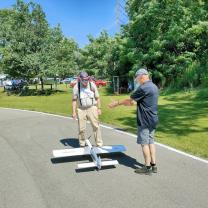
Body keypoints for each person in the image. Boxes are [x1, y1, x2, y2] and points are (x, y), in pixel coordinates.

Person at [108, 68, 159, 175]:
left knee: (144, 143)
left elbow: (129, 101)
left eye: (137, 79)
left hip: (144, 120)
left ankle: (147, 167)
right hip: (153, 119)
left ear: (141, 76)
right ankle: (154, 165)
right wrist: (130, 103)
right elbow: (135, 102)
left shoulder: (144, 87)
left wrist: (116, 103)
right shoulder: (154, 86)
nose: (137, 81)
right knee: (151, 142)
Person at [72, 71, 103, 147]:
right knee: (81, 128)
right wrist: (74, 112)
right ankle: (82, 144)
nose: (85, 81)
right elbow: (74, 100)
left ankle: (99, 144)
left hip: (92, 107)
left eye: (87, 79)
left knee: (96, 126)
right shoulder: (76, 87)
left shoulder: (91, 85)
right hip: (81, 109)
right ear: (80, 79)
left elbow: (97, 98)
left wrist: (99, 108)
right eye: (84, 80)